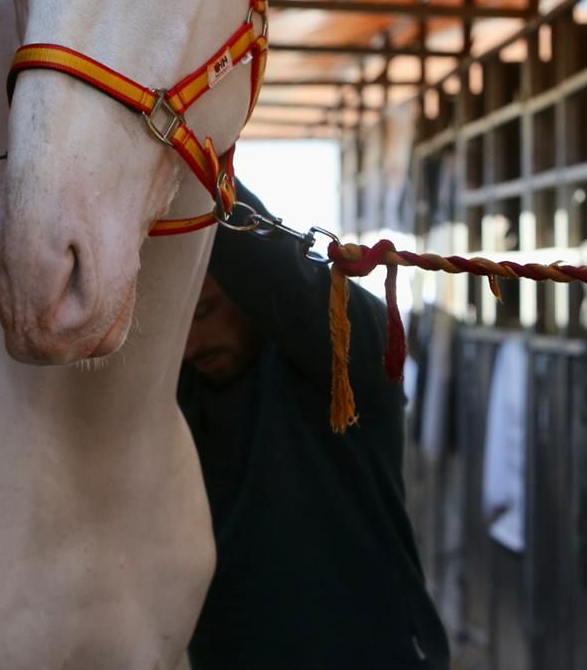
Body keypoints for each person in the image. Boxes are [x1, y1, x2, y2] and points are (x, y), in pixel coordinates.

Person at [177, 184, 449, 669]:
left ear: (248, 295)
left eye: (205, 311)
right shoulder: (184, 396)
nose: (193, 344)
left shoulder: (349, 361)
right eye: (182, 326)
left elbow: (276, 274)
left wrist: (195, 159)